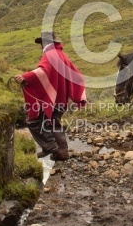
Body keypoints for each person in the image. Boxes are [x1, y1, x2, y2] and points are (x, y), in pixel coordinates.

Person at [14, 31, 86, 161]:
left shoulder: (50, 54)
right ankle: (62, 152)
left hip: (53, 98)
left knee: (33, 121)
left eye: (41, 43)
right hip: (61, 97)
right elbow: (75, 73)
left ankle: (50, 147)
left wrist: (24, 77)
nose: (41, 46)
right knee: (53, 123)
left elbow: (43, 71)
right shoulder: (61, 54)